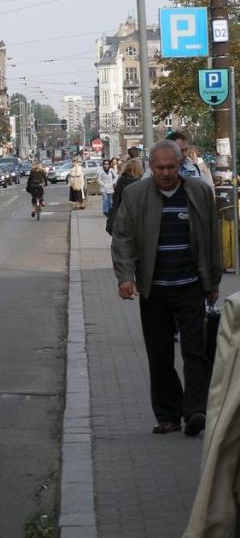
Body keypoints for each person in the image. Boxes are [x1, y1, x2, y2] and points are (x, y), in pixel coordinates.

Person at [111, 139, 221, 436]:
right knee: (159, 355)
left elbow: (212, 238)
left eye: (171, 167)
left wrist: (213, 281)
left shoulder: (199, 191)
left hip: (190, 286)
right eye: (159, 167)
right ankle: (168, 415)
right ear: (150, 166)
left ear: (180, 165)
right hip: (154, 288)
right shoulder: (136, 195)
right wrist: (125, 277)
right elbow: (122, 237)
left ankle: (195, 409)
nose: (166, 173)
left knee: (194, 351)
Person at [106, 157, 143, 236]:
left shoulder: (122, 180)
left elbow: (116, 199)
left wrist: (113, 214)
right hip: (137, 216)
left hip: (122, 213)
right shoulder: (141, 182)